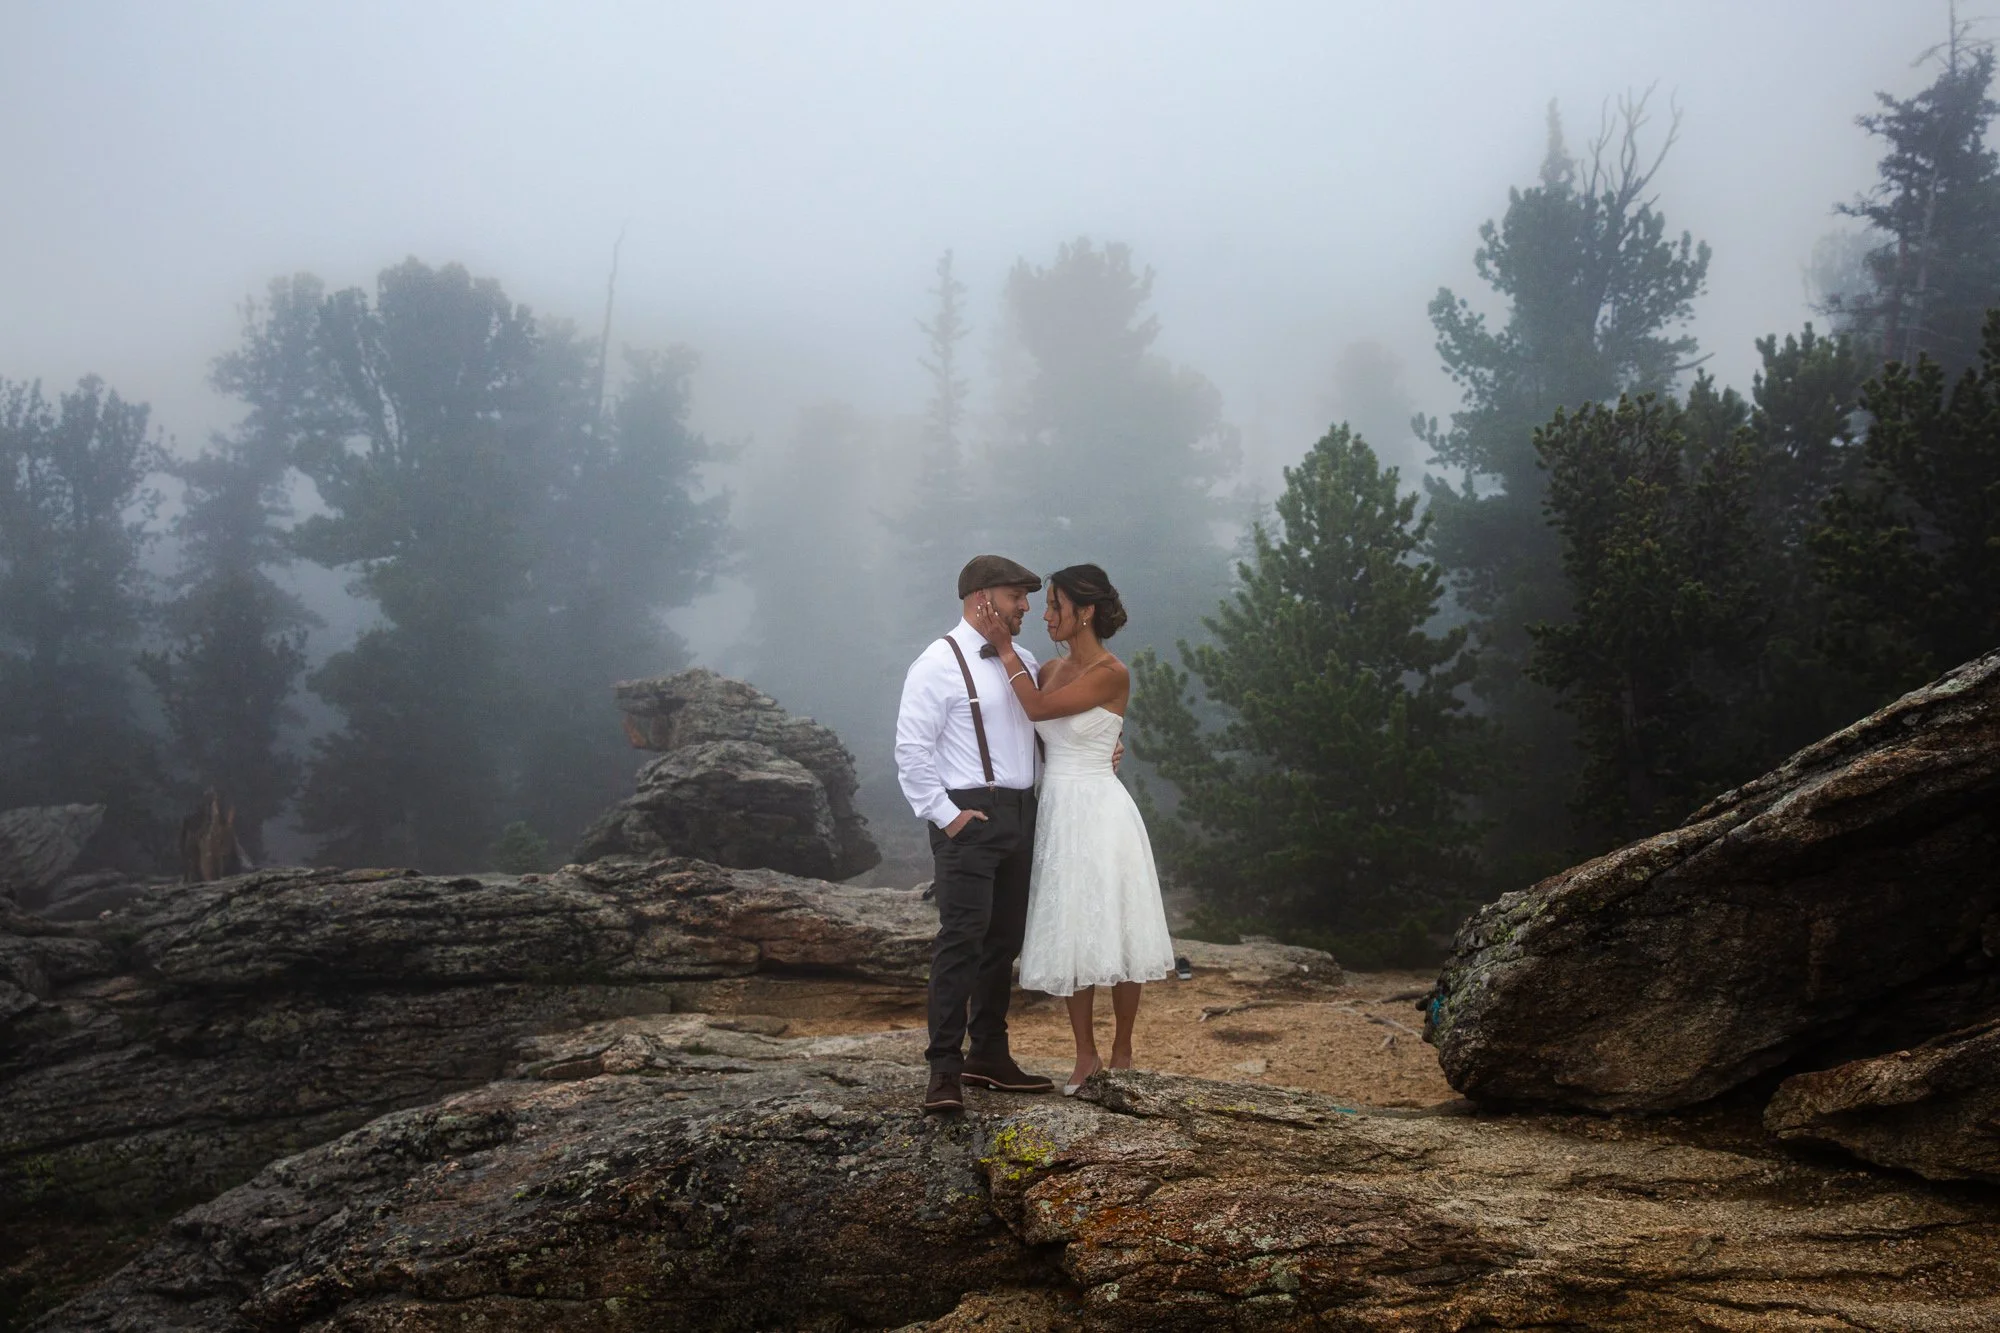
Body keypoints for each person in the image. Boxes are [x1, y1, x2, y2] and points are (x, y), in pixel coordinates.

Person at [974, 563, 1175, 1094]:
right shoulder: (1048, 670)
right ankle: (1084, 1054)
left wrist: (1004, 648)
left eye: (1055, 605)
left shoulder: (1112, 672)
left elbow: (1037, 709)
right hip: (1059, 811)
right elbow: (1039, 733)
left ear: (1085, 611)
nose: (1045, 616)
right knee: (1072, 929)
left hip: (1101, 810)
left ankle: (1123, 1049)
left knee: (1117, 924)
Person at [894, 555, 1057, 1112]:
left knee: (1004, 940)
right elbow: (911, 751)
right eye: (1018, 597)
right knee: (961, 940)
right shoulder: (936, 663)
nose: (1027, 608)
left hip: (1020, 813)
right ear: (982, 598)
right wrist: (946, 815)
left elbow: (1041, 729)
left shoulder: (1025, 659)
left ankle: (989, 1054)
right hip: (970, 816)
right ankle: (943, 1069)